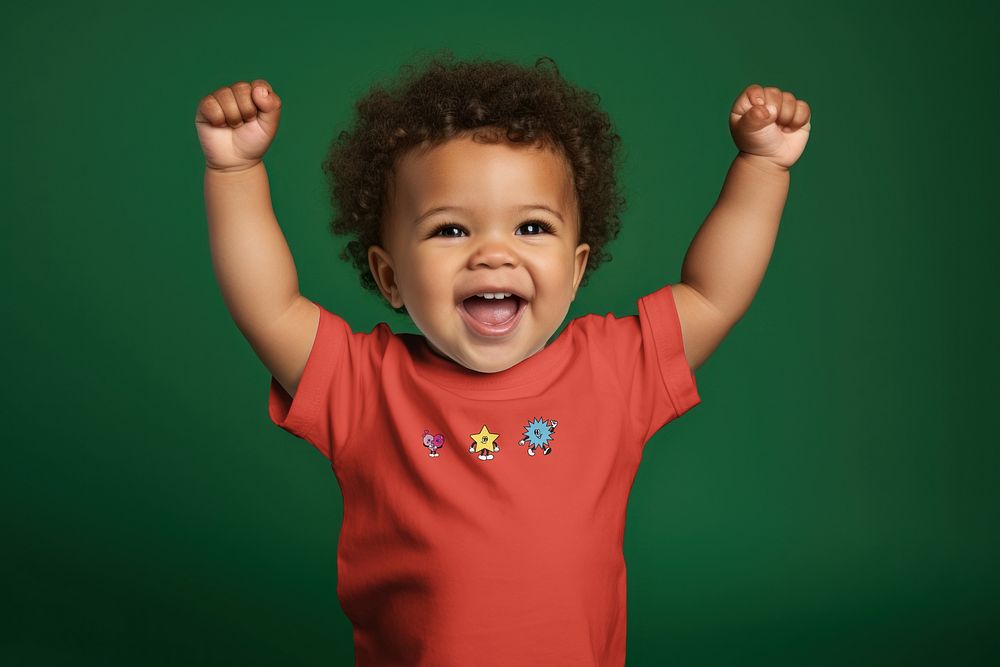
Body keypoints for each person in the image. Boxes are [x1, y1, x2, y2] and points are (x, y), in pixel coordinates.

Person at [194, 52, 810, 666]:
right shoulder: (365, 384)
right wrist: (235, 171)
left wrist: (762, 166)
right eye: (451, 230)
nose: (493, 254)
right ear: (389, 278)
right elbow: (269, 307)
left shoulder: (616, 368)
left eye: (532, 228)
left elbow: (712, 294)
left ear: (575, 272)